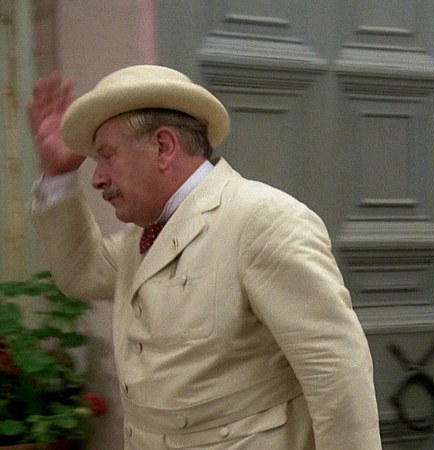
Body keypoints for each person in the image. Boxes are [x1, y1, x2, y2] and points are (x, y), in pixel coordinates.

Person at [26, 65, 382, 450]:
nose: (98, 178)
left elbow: (337, 374)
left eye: (108, 156)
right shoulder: (140, 236)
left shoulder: (263, 220)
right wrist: (58, 175)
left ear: (163, 147)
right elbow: (81, 273)